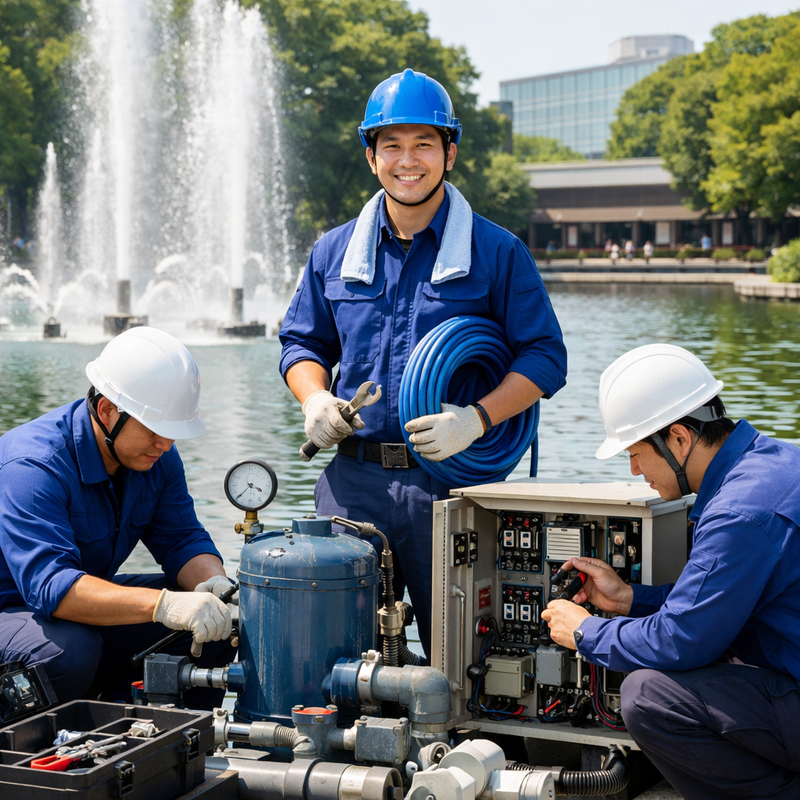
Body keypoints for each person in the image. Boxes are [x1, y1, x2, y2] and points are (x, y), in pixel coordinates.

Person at [280, 69, 567, 658]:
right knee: (331, 654)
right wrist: (313, 399)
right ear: (371, 156)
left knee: (461, 662)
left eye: (424, 145)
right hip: (353, 485)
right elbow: (301, 344)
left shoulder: (497, 251)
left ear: (450, 153)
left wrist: (477, 420)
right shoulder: (332, 252)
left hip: (452, 484)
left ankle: (460, 750)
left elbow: (545, 357)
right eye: (391, 145)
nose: (407, 161)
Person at [542, 343, 800, 799]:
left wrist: (586, 633)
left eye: (636, 453)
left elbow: (682, 640)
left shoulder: (740, 513)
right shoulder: (772, 464)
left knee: (648, 696)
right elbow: (715, 601)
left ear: (679, 438)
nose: (635, 469)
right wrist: (628, 600)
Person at [0, 327, 237, 710]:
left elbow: (181, 540)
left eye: (173, 433)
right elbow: (52, 586)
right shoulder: (33, 466)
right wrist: (164, 605)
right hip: (13, 613)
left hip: (64, 612)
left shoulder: (154, 456)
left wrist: (217, 586)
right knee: (70, 650)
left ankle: (148, 736)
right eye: (156, 430)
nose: (166, 444)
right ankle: (36, 745)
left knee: (217, 625)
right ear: (107, 410)